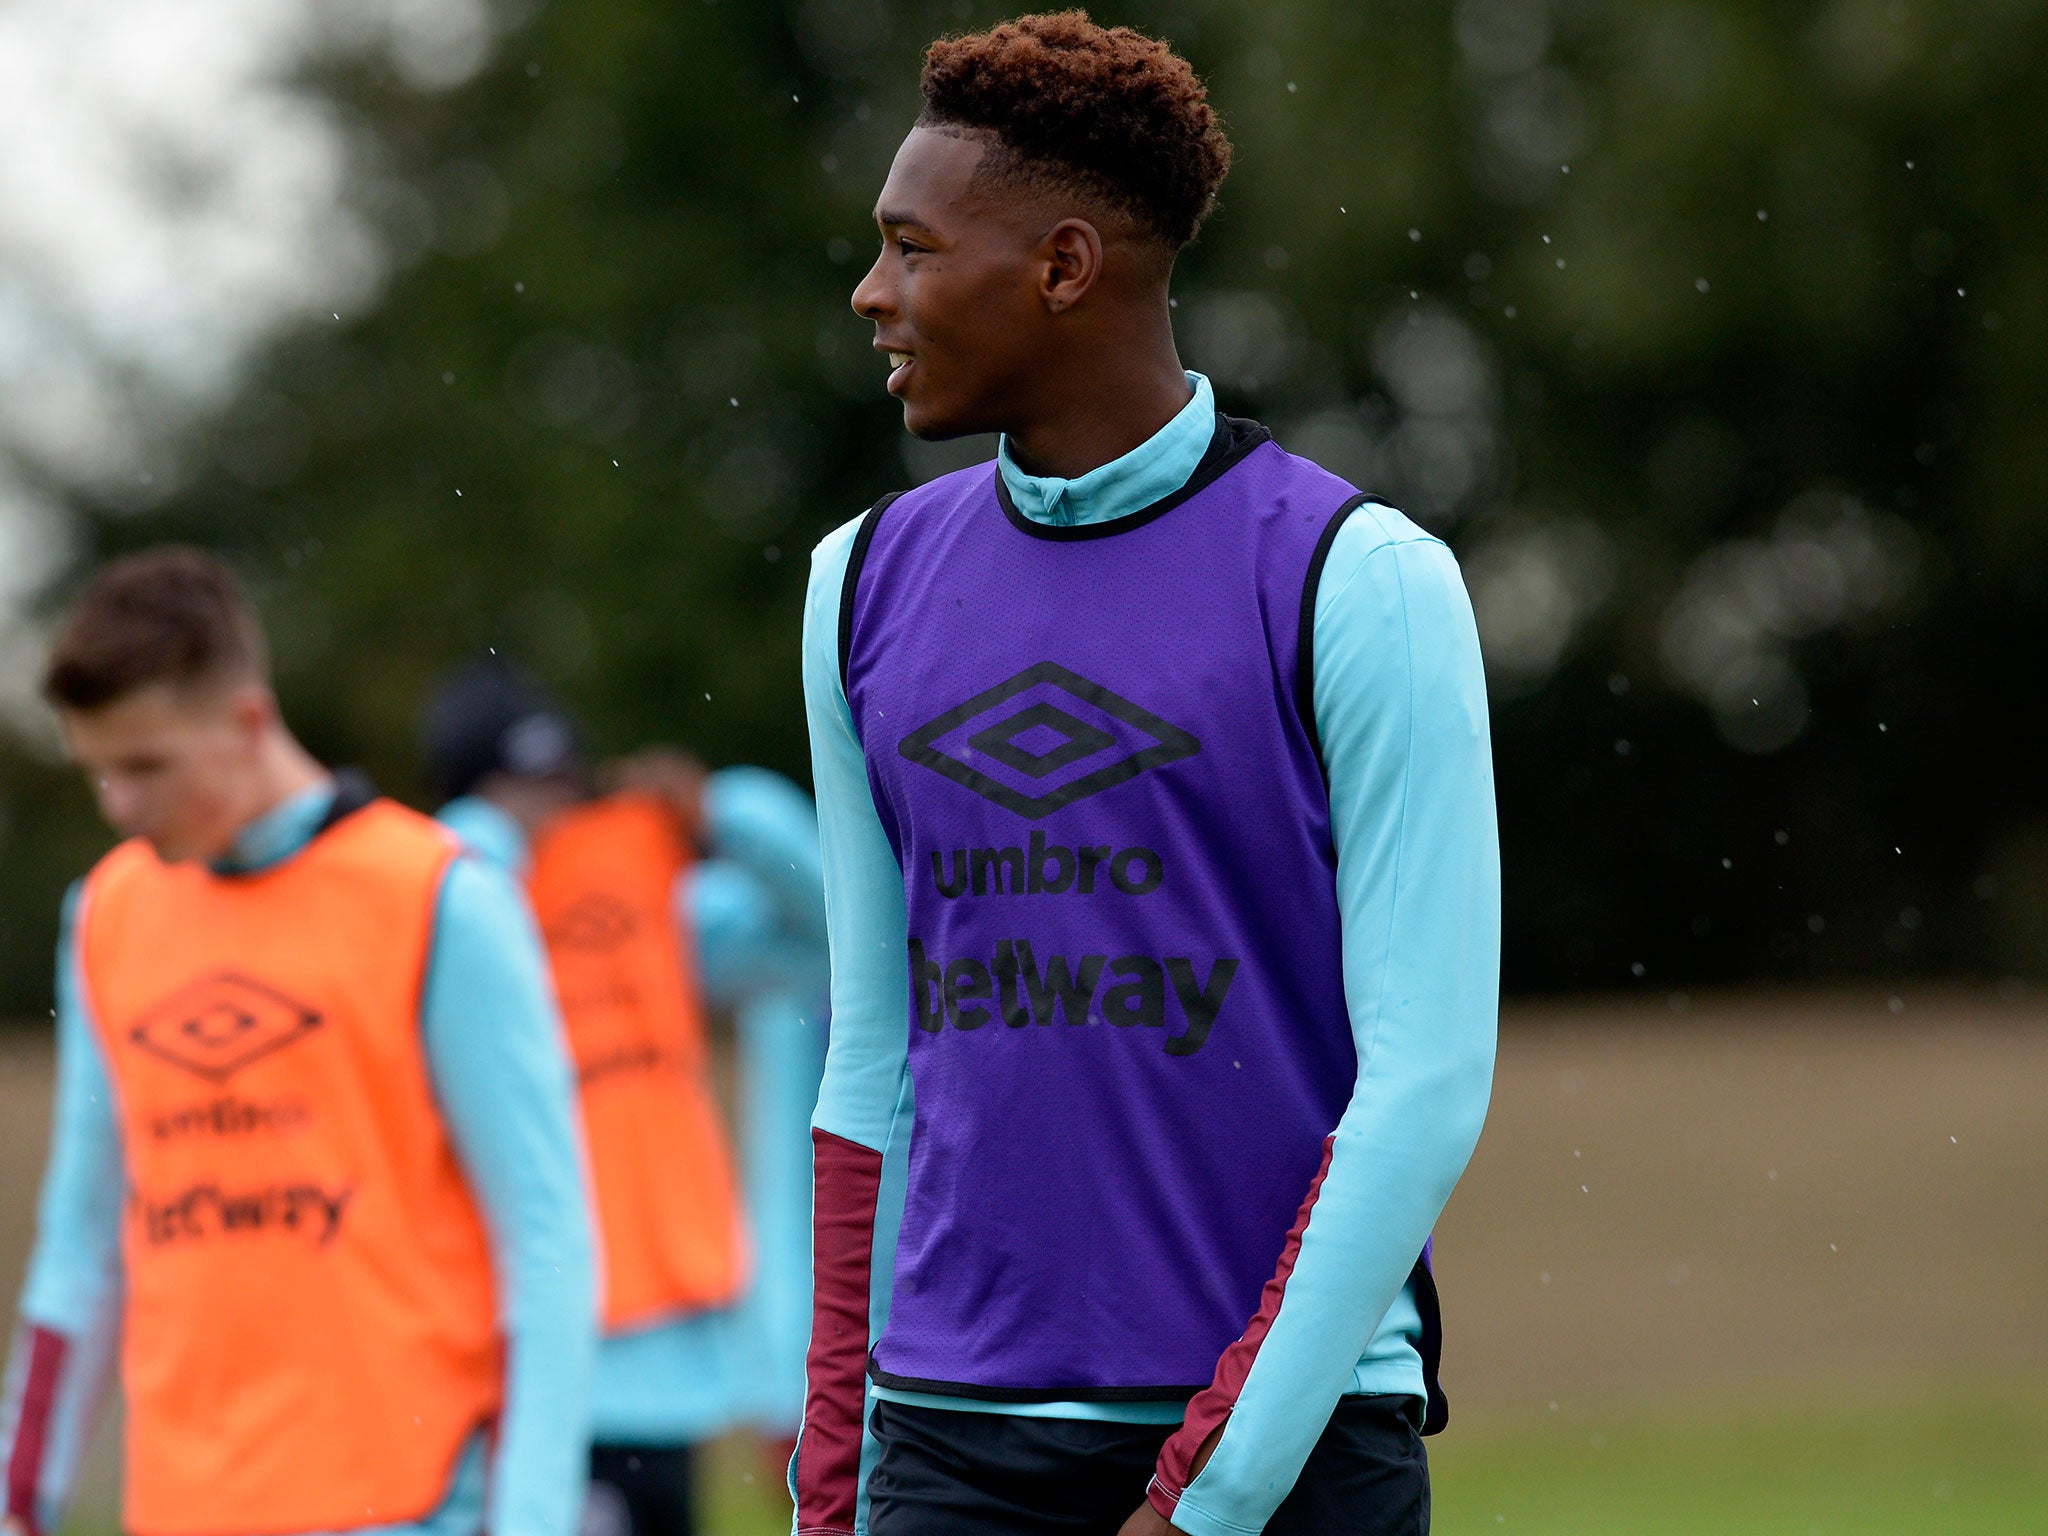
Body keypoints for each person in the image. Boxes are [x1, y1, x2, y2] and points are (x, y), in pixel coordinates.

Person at [793, 14, 1498, 1536]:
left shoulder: (1359, 579)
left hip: (1292, 1447)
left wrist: (1211, 1494)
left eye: (912, 249)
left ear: (1061, 267)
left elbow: (1426, 1087)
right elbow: (869, 1067)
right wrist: (831, 1487)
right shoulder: (856, 583)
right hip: (946, 1442)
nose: (873, 293)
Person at [0, 549, 595, 1536]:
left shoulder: (439, 896)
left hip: (407, 1504)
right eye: (98, 769)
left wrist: (530, 1516)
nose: (118, 804)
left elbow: (547, 1243)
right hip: (182, 1509)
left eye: (145, 765)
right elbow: (81, 1246)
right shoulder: (106, 913)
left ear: (247, 721)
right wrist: (21, 1506)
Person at [422, 658, 829, 1536]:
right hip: (520, 1364)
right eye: (522, 795)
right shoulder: (437, 915)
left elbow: (836, 928)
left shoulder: (655, 917)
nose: (558, 820)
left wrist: (725, 815)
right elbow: (425, 872)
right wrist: (489, 849)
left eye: (569, 790)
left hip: (668, 1386)